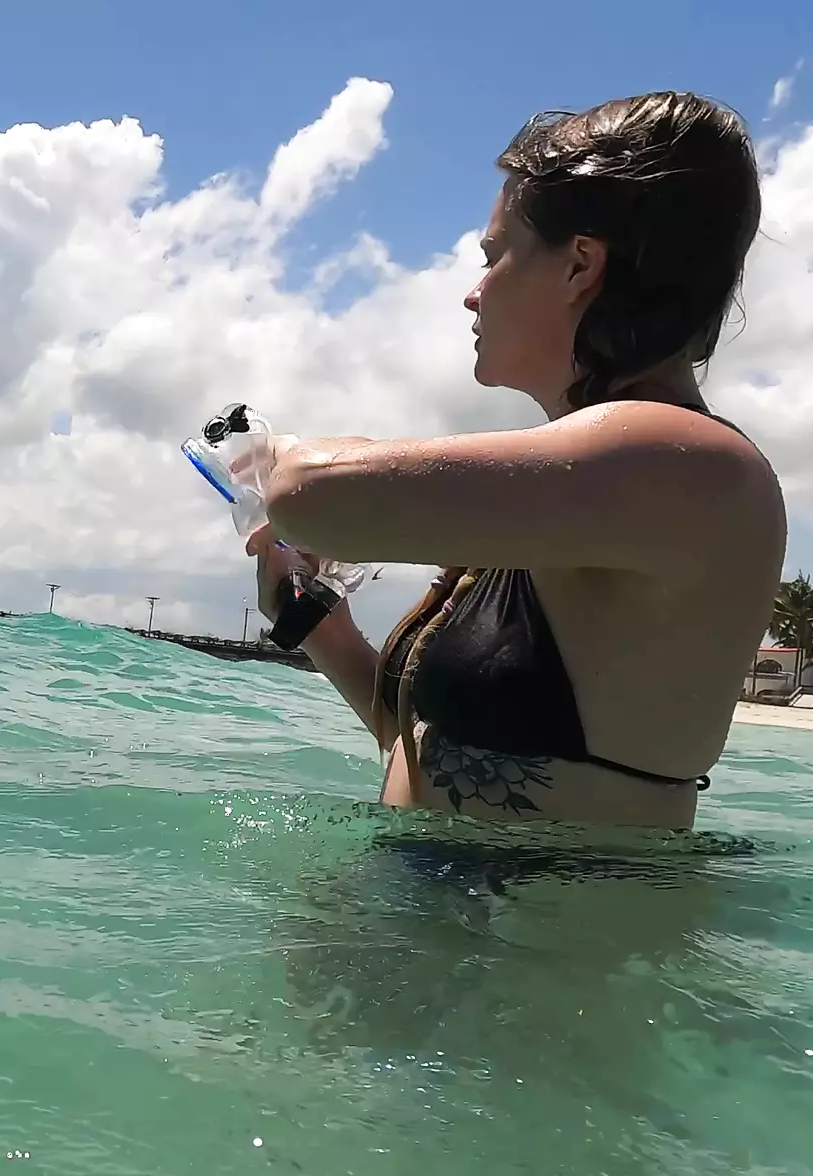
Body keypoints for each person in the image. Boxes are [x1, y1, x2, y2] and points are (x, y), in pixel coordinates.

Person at [247, 91, 784, 831]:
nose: (473, 295)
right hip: (451, 892)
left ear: (579, 266)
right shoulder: (569, 497)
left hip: (542, 909)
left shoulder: (685, 462)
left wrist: (267, 451)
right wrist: (319, 628)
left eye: (494, 256)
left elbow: (308, 494)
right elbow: (443, 756)